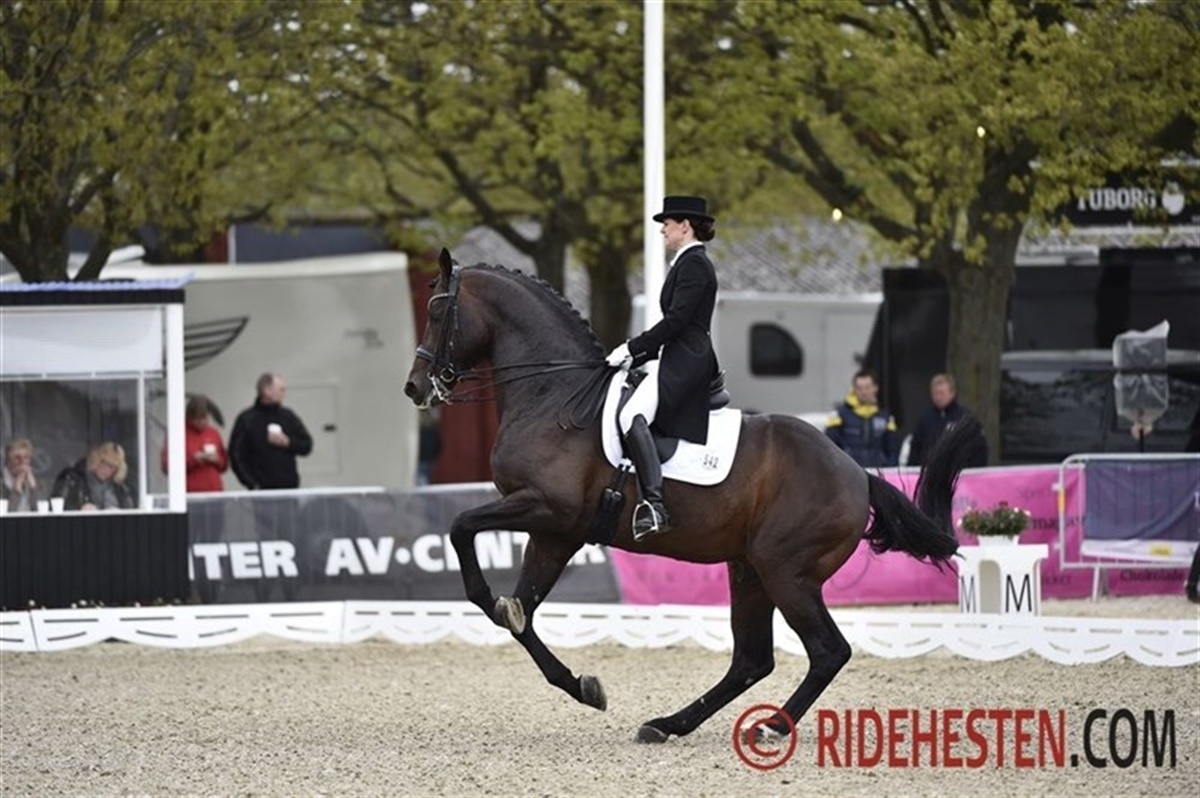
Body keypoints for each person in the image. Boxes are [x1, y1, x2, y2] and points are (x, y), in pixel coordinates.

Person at [605, 195, 722, 541]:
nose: (662, 232)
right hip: (677, 354)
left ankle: (654, 505)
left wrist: (632, 347)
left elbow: (676, 322)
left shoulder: (695, 265)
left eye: (666, 225)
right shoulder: (686, 263)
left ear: (685, 226)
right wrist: (638, 356)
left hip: (687, 358)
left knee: (631, 416)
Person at [229, 372, 313, 490]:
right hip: (261, 489)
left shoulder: (288, 416)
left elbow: (307, 445)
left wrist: (288, 442)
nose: (284, 394)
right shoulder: (247, 419)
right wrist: (252, 483)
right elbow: (236, 454)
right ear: (267, 391)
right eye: (281, 390)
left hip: (289, 487)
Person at [908, 373, 988, 468]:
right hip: (931, 473)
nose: (938, 397)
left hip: (961, 472)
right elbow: (915, 449)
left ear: (952, 393)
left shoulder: (965, 418)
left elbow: (979, 448)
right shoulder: (925, 420)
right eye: (935, 393)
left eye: (942, 393)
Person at [824, 369, 900, 469]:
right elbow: (829, 448)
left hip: (878, 473)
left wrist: (886, 468)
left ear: (875, 388)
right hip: (849, 472)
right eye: (859, 388)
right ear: (854, 389)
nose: (863, 392)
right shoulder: (839, 416)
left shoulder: (885, 417)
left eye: (867, 387)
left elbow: (893, 451)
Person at [162, 394, 229, 492]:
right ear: (190, 417)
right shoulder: (177, 434)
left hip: (214, 490)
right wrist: (194, 460)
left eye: (205, 418)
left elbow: (224, 464)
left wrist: (217, 459)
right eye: (198, 419)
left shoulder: (213, 433)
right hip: (189, 493)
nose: (202, 422)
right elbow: (167, 466)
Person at [51, 441, 137, 511]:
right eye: (103, 462)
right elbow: (56, 507)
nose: (105, 469)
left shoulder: (121, 489)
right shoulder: (72, 479)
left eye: (111, 467)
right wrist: (79, 509)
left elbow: (130, 510)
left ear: (117, 470)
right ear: (95, 459)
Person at [1, 437, 42, 512]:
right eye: (17, 458)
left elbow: (41, 512)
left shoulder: (34, 480)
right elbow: (7, 514)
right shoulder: (2, 481)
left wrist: (33, 489)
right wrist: (16, 490)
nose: (22, 461)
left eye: (26, 457)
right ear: (8, 460)